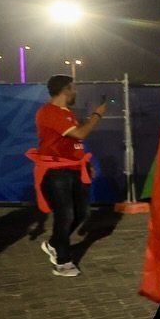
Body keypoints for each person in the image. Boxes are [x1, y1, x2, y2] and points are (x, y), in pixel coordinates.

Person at [34, 75, 106, 277]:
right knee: (65, 215)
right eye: (73, 89)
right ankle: (62, 262)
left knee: (81, 213)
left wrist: (85, 163)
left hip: (74, 170)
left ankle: (54, 243)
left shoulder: (68, 113)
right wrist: (96, 116)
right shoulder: (49, 112)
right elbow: (80, 134)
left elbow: (75, 144)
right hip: (56, 172)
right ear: (65, 90)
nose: (76, 92)